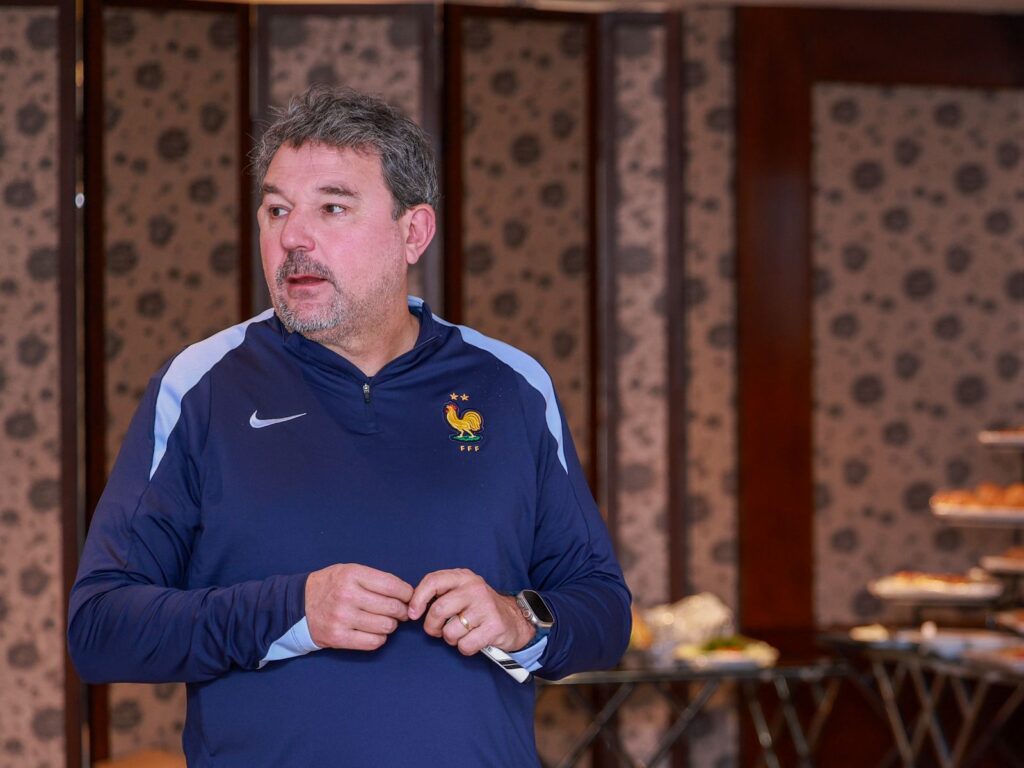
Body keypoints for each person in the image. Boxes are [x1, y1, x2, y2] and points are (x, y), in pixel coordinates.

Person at [68, 85, 631, 766]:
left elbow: (604, 611)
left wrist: (519, 618)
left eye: (332, 208)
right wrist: (293, 610)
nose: (292, 238)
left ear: (412, 232)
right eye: (277, 209)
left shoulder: (512, 384)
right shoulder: (198, 387)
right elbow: (100, 627)